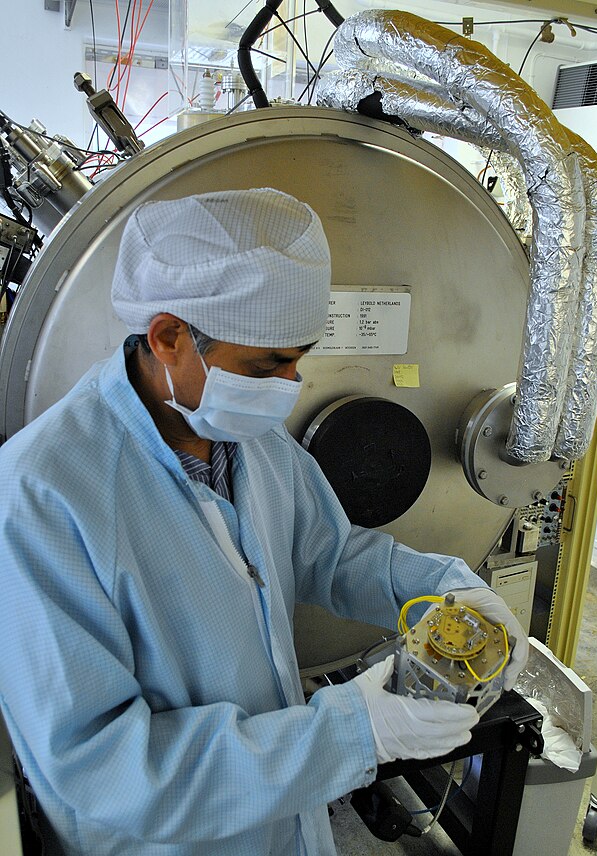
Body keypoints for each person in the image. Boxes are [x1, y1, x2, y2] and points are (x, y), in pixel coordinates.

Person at [0, 188, 528, 856]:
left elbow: (329, 555)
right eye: (268, 364)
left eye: (300, 356)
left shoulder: (247, 438)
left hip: (286, 818)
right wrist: (351, 734)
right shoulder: (39, 500)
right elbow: (101, 774)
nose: (290, 384)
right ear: (168, 337)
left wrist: (445, 585)